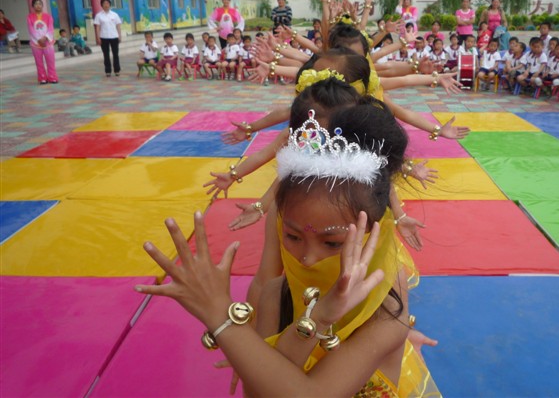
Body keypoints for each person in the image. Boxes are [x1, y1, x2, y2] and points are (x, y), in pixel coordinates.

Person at [136, 97, 441, 397]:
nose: (307, 258)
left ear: (374, 235)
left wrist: (222, 319)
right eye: (293, 236)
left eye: (331, 242)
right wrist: (314, 320)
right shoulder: (275, 297)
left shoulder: (387, 315)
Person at [26, 0, 58, 85]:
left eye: (40, 4)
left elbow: (51, 28)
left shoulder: (48, 16)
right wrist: (38, 39)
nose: (38, 5)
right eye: (36, 4)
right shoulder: (29, 17)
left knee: (50, 61)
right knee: (39, 61)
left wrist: (46, 38)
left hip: (47, 42)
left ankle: (52, 77)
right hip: (36, 43)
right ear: (33, 6)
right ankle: (42, 78)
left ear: (42, 5)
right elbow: (31, 29)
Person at [94, 0, 122, 77]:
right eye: (104, 4)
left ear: (110, 4)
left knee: (115, 54)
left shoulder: (115, 15)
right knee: (106, 55)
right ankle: (108, 71)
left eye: (107, 3)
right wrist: (98, 37)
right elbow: (98, 27)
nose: (106, 5)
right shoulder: (99, 15)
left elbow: (118, 26)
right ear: (101, 5)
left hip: (114, 37)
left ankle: (117, 70)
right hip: (104, 37)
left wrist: (119, 36)